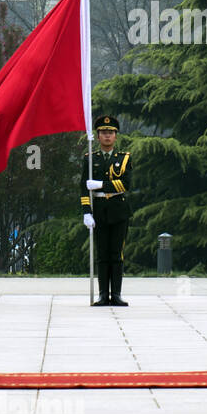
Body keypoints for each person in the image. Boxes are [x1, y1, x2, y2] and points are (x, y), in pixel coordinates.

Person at [82, 115, 132, 307]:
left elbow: (124, 184)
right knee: (102, 254)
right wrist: (87, 211)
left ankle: (116, 294)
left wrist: (101, 184)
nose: (107, 136)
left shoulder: (124, 159)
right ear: (98, 135)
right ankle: (103, 294)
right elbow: (83, 187)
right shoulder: (90, 159)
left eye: (110, 132)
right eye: (103, 132)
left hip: (119, 210)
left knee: (116, 254)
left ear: (116, 136)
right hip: (99, 210)